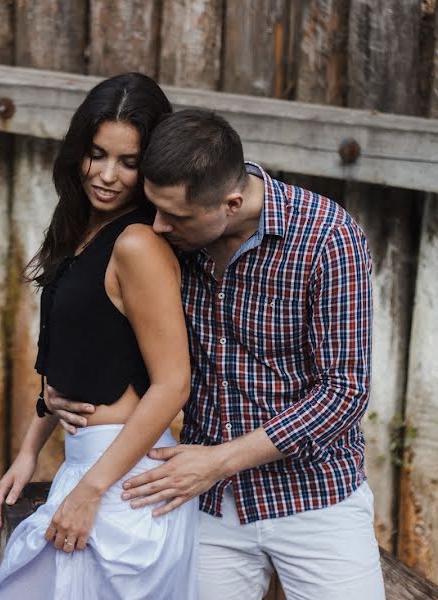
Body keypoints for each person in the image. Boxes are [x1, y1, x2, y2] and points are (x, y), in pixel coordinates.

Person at [46, 109, 385, 600]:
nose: (158, 227)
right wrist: (54, 391)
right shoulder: (175, 235)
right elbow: (96, 310)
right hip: (203, 504)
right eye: (155, 209)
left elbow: (345, 392)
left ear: (230, 203)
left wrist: (220, 462)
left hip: (315, 497)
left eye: (175, 216)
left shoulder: (328, 239)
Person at [0, 73, 198, 600]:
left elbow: (173, 384)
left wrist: (91, 490)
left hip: (124, 484)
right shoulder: (80, 226)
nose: (107, 175)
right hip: (87, 467)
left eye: (128, 163)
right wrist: (29, 451)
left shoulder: (137, 244)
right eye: (97, 154)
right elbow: (70, 351)